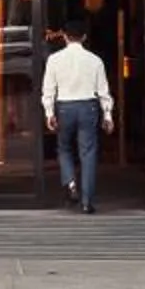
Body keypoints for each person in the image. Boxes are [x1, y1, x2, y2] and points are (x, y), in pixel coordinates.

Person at [41, 20, 112, 213]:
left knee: (64, 148)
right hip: (88, 106)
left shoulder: (54, 60)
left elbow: (48, 90)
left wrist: (49, 113)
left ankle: (70, 183)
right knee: (88, 153)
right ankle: (87, 201)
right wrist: (108, 115)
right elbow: (103, 91)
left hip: (64, 107)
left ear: (64, 36)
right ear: (84, 37)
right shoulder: (95, 60)